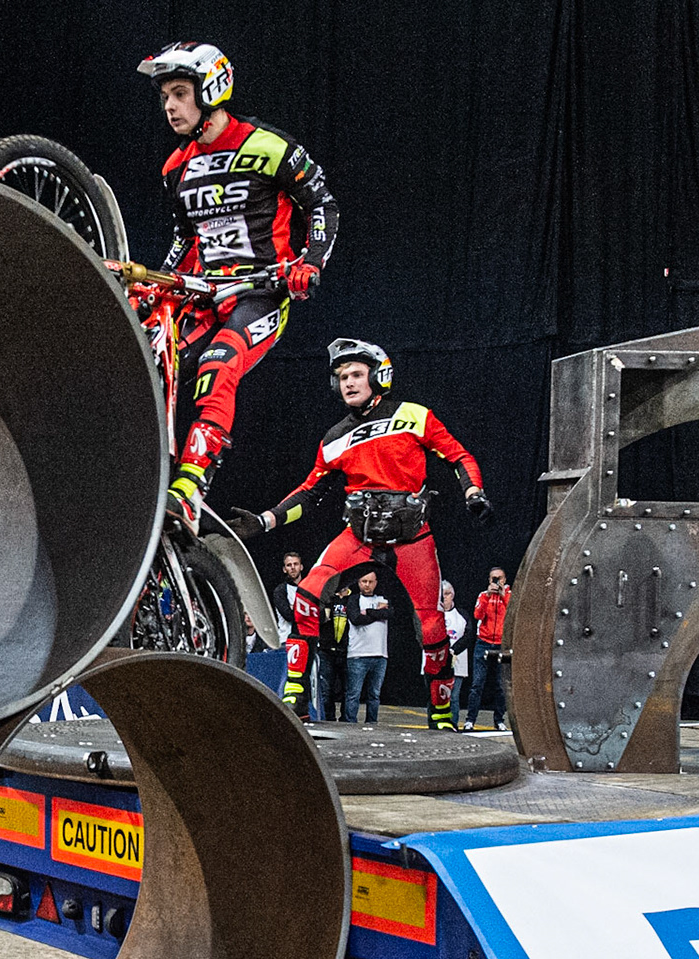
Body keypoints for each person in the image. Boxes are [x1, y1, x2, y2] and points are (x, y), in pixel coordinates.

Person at [228, 339, 488, 726]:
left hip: (413, 538)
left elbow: (458, 456)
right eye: (341, 377)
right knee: (308, 595)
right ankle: (296, 693)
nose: (347, 382)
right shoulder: (334, 438)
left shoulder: (413, 415)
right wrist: (266, 520)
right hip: (360, 537)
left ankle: (441, 711)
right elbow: (310, 492)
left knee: (432, 626)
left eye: (356, 374)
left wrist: (473, 491)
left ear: (378, 376)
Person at [136, 41, 339, 532]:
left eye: (180, 93)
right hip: (205, 293)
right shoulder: (175, 167)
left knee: (218, 364)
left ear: (211, 90)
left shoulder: (269, 146)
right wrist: (161, 282)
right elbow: (186, 238)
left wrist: (310, 263)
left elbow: (323, 204)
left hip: (262, 293)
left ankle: (189, 489)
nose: (169, 106)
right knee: (146, 360)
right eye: (164, 96)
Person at [339, 568, 392, 724]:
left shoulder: (383, 599)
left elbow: (389, 614)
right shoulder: (353, 599)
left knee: (374, 694)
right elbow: (356, 619)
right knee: (353, 694)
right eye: (364, 581)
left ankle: (372, 723)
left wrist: (368, 611)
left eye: (370, 582)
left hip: (380, 654)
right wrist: (377, 613)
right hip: (358, 654)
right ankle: (350, 724)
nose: (367, 585)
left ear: (375, 583)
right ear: (358, 582)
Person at [462, 568, 510, 731]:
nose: (496, 581)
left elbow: (513, 615)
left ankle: (499, 720)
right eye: (493, 578)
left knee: (500, 685)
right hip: (483, 642)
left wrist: (503, 596)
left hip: (502, 643)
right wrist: (488, 596)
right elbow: (477, 615)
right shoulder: (483, 595)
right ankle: (470, 720)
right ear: (489, 580)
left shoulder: (510, 595)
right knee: (477, 684)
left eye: (499, 578)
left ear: (504, 579)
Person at [440, 580, 472, 730]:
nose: (444, 598)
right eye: (441, 595)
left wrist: (454, 650)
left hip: (456, 663)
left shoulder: (462, 615)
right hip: (436, 662)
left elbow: (468, 635)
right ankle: (435, 725)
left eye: (446, 594)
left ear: (452, 595)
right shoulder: (433, 614)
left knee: (453, 697)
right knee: (436, 697)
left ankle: (452, 726)